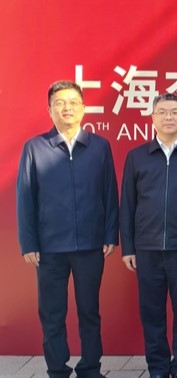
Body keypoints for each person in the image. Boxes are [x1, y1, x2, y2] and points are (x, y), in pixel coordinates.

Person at [17, 80, 119, 378]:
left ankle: (90, 368)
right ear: (49, 110)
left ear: (83, 108)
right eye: (59, 103)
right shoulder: (35, 148)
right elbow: (25, 198)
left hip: (90, 245)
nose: (67, 108)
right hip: (49, 249)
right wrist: (29, 243)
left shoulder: (99, 146)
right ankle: (57, 369)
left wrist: (110, 234)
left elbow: (109, 193)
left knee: (90, 312)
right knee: (52, 314)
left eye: (73, 102)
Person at [120, 93, 177, 378]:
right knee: (152, 313)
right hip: (147, 248)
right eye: (162, 112)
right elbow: (127, 205)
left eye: (174, 112)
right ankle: (158, 368)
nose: (168, 117)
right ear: (153, 118)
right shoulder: (137, 156)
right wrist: (128, 247)